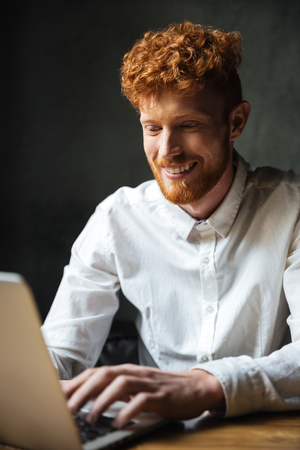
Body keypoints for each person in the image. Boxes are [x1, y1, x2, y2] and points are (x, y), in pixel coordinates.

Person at [41, 21, 300, 428]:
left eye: (189, 125)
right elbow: (61, 355)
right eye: (152, 128)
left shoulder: (294, 208)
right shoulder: (116, 219)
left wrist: (205, 386)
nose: (167, 152)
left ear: (235, 123)